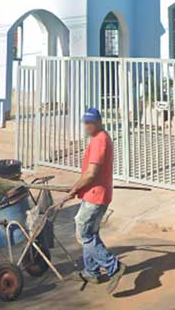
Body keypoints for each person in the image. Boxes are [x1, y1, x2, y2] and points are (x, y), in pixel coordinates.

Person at [67, 107, 125, 292]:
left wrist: (76, 187)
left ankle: (114, 266)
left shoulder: (100, 140)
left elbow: (91, 173)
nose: (87, 126)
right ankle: (92, 272)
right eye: (86, 122)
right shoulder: (102, 137)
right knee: (91, 233)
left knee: (84, 233)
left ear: (99, 122)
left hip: (95, 195)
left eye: (91, 122)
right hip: (95, 193)